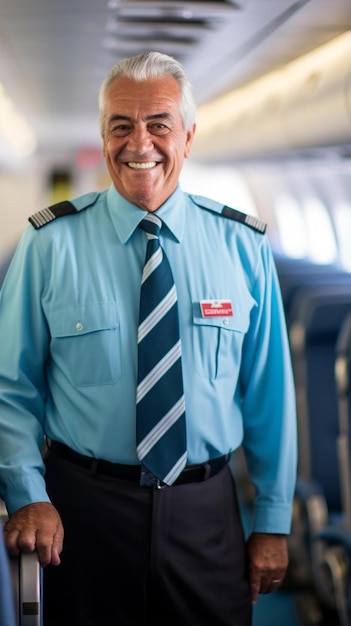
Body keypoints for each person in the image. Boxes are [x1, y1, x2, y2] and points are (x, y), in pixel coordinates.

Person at [0, 51, 297, 626]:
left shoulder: (244, 246)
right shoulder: (48, 245)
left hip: (207, 509)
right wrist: (25, 493)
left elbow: (270, 397)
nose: (140, 143)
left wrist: (274, 521)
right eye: (121, 125)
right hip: (80, 512)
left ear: (188, 134)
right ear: (103, 134)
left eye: (159, 124)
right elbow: (11, 389)